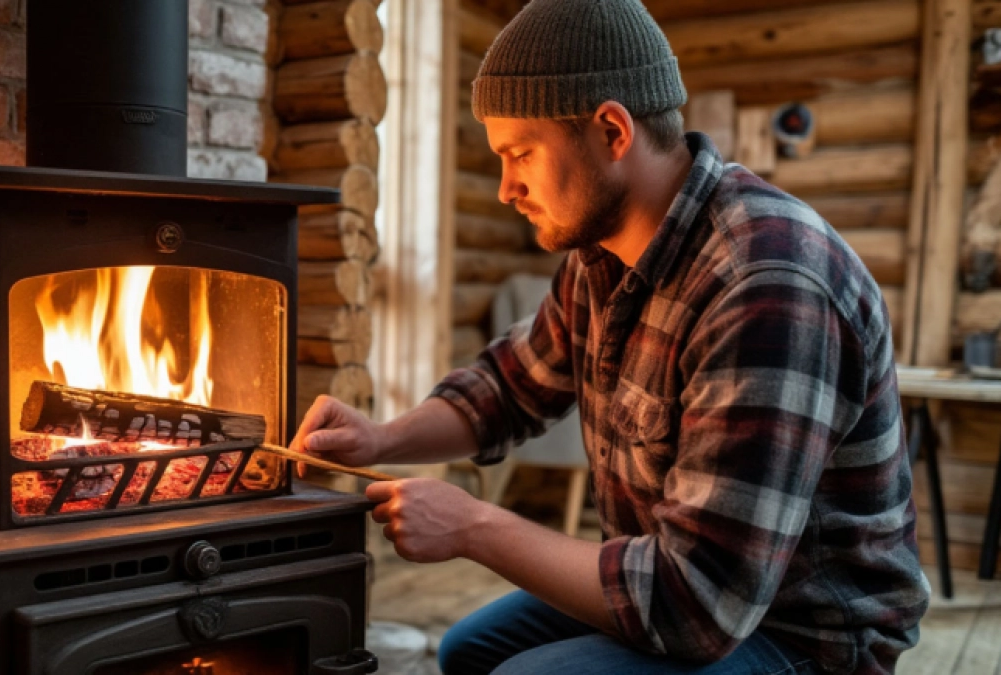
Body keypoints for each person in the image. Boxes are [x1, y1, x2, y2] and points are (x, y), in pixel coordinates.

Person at [288, 0, 930, 672]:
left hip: (802, 632)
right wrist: (381, 438)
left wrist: (473, 525)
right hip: (680, 585)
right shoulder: (601, 256)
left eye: (520, 154)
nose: (507, 188)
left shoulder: (767, 283)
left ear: (611, 131)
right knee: (467, 650)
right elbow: (508, 388)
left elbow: (696, 605)